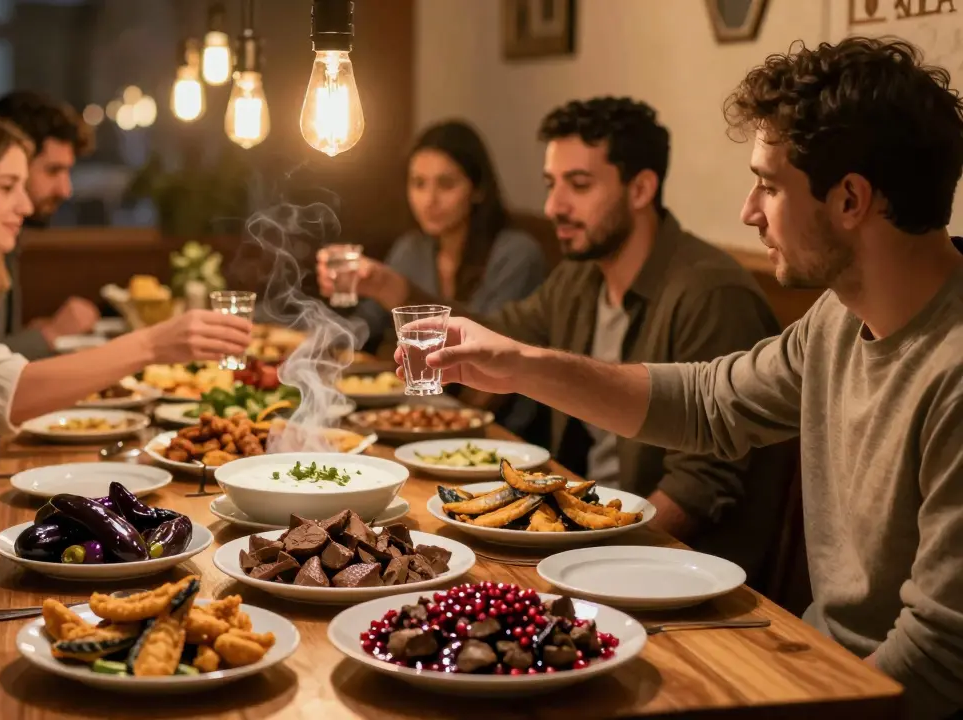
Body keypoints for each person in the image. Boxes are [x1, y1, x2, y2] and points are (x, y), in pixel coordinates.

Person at [404, 38, 963, 719]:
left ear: (850, 199)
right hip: (817, 656)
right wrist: (521, 365)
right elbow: (704, 402)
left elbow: (934, 662)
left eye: (769, 183)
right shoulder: (835, 321)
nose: (748, 212)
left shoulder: (952, 371)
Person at [0, 112, 252, 657]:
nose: (27, 204)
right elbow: (3, 392)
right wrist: (153, 345)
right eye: (8, 187)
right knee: (85, 621)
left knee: (120, 594)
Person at [337, 98, 790, 579]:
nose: (554, 207)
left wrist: (592, 554)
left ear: (641, 188)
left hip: (671, 567)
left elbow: (699, 488)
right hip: (582, 537)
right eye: (552, 185)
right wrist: (403, 298)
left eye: (578, 185)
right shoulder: (579, 279)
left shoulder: (710, 293)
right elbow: (500, 339)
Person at [318, 119, 546, 353]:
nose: (429, 200)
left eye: (446, 184)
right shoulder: (411, 248)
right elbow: (369, 323)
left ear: (478, 189)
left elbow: (494, 344)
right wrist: (314, 334)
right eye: (419, 184)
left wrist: (393, 288)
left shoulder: (516, 254)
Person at [0, 89, 99, 359]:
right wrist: (51, 334)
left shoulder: (7, 241)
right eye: (53, 170)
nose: (66, 189)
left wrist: (31, 333)